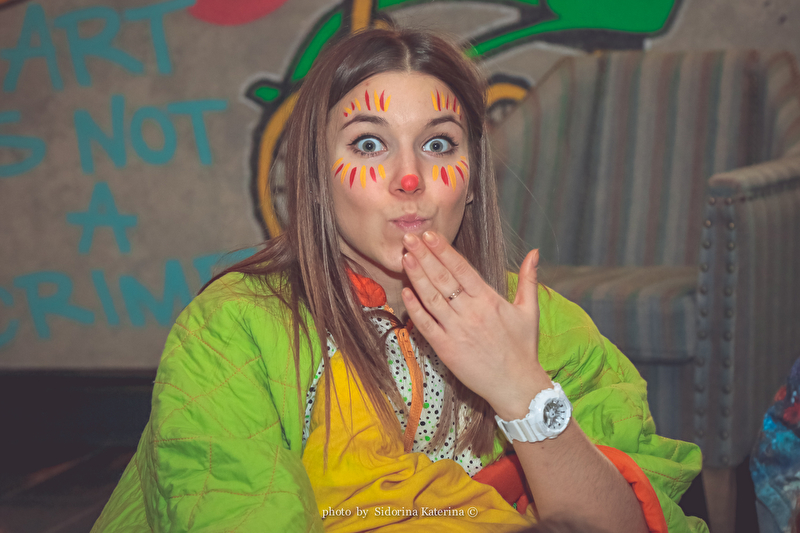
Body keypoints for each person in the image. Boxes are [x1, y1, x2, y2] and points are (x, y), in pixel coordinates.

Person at [91, 28, 707, 533]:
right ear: (318, 175)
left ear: (471, 178)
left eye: (438, 144)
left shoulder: (548, 328)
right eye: (368, 144)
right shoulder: (232, 331)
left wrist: (521, 390)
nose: (408, 178)